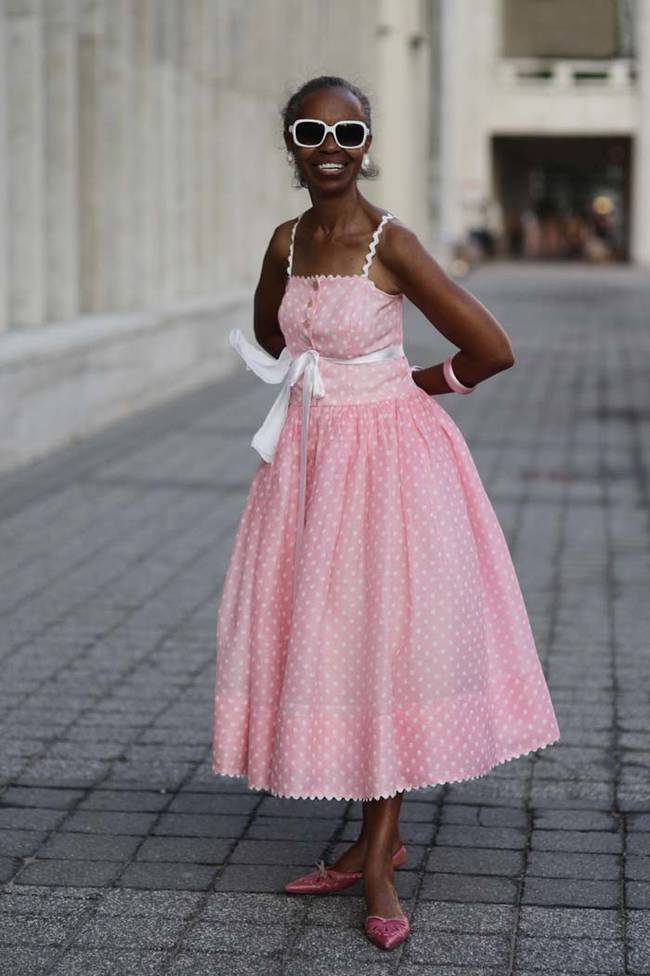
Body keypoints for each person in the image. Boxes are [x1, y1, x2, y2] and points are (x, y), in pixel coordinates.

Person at [212, 75, 561, 952]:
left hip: (390, 465)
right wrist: (312, 375)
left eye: (348, 130)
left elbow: (492, 348)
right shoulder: (286, 242)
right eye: (310, 129)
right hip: (306, 467)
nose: (330, 145)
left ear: (367, 143)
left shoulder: (389, 241)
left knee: (383, 645)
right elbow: (269, 332)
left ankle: (376, 864)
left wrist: (415, 383)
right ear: (290, 144)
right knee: (331, 644)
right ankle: (376, 835)